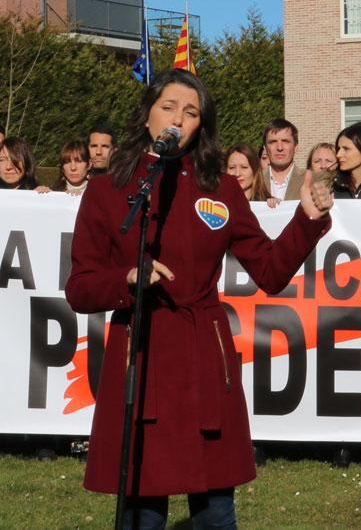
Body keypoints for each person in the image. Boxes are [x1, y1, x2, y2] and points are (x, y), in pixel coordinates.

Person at [65, 69, 333, 528]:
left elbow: (269, 271)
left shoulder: (221, 188)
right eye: (168, 107)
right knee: (142, 508)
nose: (178, 118)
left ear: (201, 126)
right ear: (148, 113)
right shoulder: (107, 190)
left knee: (214, 507)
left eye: (191, 112)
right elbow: (80, 288)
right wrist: (127, 278)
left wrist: (307, 219)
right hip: (142, 354)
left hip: (204, 357)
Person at [262, 118, 306, 202]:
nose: (279, 148)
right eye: (273, 142)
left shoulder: (310, 180)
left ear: (296, 147)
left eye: (285, 141)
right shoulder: (255, 181)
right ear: (265, 148)